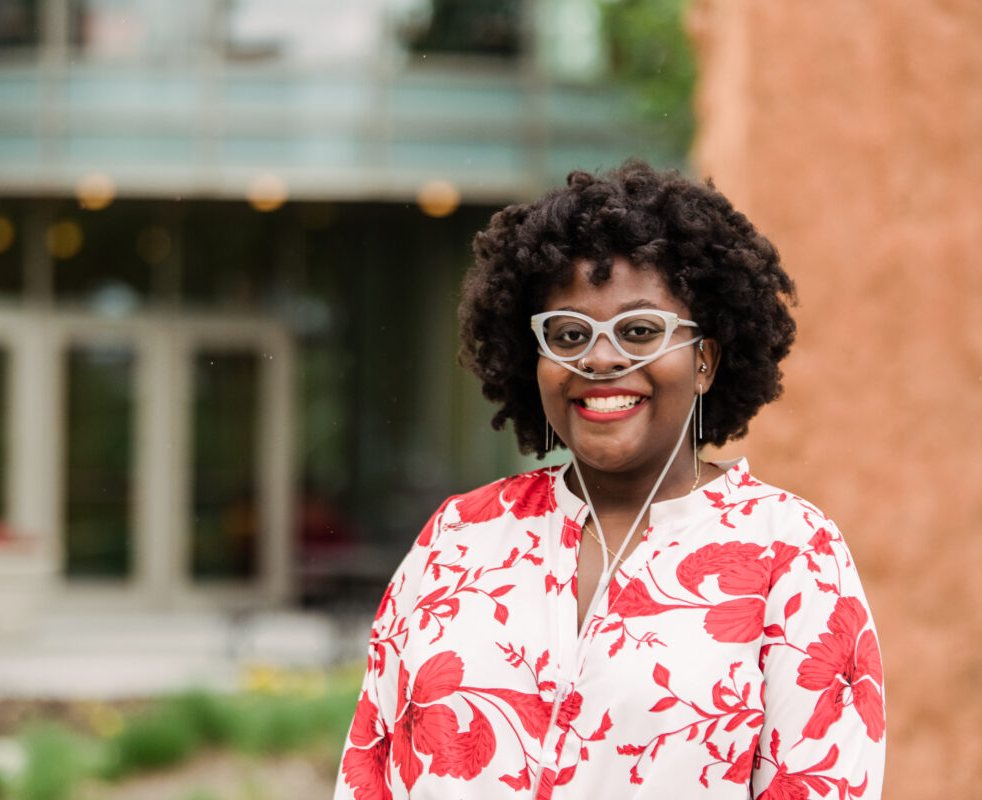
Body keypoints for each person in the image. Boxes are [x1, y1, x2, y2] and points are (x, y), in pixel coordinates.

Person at [335, 161, 885, 800]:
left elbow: (820, 784)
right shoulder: (458, 538)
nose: (600, 358)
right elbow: (369, 767)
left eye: (641, 331)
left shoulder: (790, 554)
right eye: (569, 334)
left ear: (704, 361)